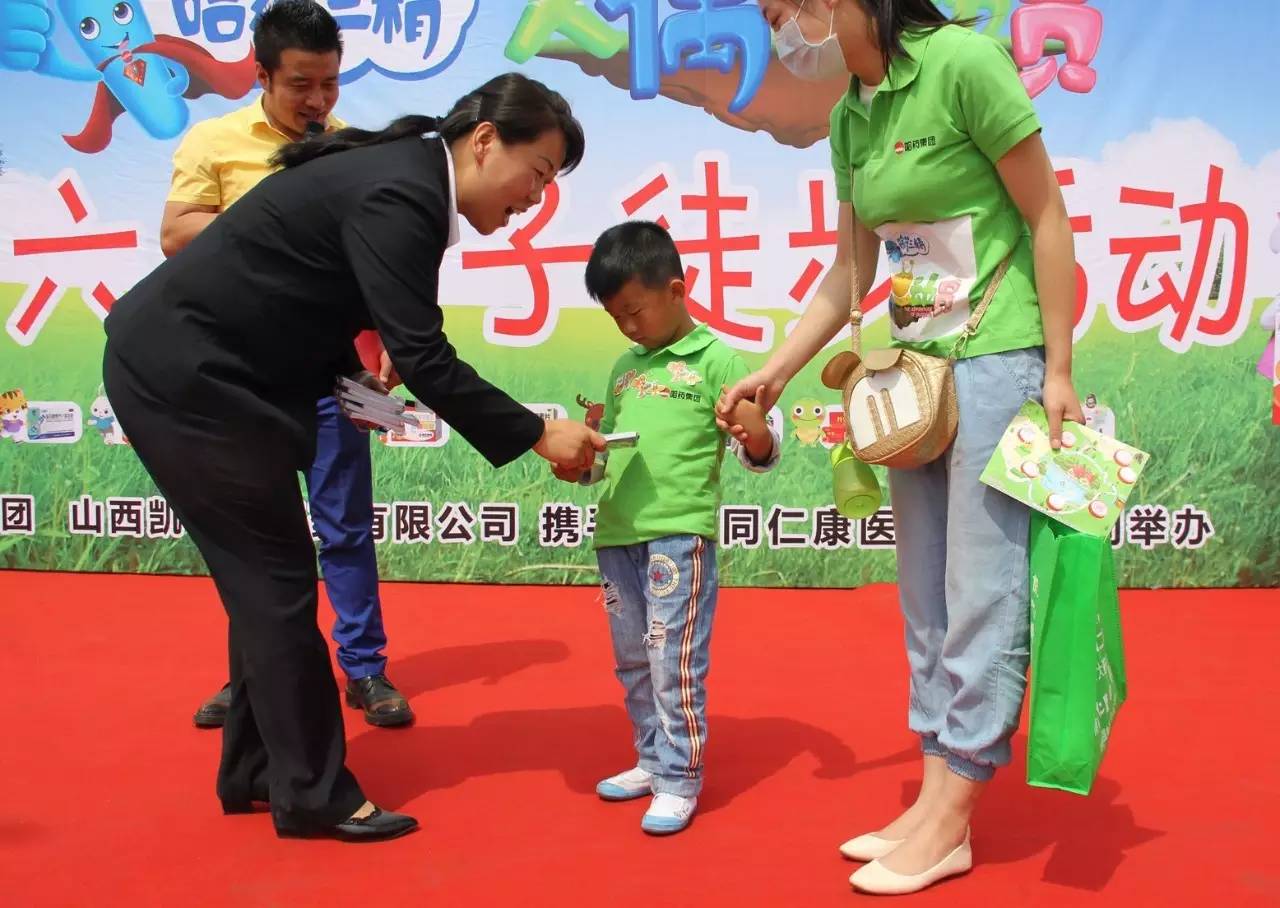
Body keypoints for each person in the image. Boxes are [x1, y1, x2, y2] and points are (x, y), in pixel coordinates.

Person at [103, 72, 603, 841]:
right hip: (188, 379)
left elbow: (315, 297)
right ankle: (314, 795)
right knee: (275, 584)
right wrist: (540, 433)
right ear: (483, 142)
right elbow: (425, 357)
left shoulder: (404, 175)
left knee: (267, 582)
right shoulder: (404, 192)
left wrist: (368, 392)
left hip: (214, 374)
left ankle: (258, 771)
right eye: (536, 173)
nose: (535, 198)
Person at [722, 0, 1084, 893]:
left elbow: (1047, 215)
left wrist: (1059, 369)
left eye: (786, 11)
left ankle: (957, 809)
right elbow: (849, 271)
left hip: (998, 359)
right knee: (923, 591)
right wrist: (777, 371)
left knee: (982, 587)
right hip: (912, 375)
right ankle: (932, 799)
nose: (783, 32)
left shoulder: (962, 63)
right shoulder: (851, 113)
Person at [161, 0, 413, 731]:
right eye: (301, 84)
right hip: (241, 377)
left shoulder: (351, 150)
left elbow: (379, 257)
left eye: (329, 84)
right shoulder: (215, 141)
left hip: (333, 373)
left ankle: (365, 669)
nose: (318, 101)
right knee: (257, 539)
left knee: (346, 527)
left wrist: (395, 334)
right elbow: (176, 233)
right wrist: (275, 230)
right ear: (262, 74)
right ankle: (253, 676)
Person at [559, 221, 780, 835]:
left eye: (635, 311)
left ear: (677, 290)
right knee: (632, 658)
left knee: (672, 658)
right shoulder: (624, 370)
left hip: (678, 536)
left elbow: (762, 449)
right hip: (616, 535)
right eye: (616, 317)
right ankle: (652, 758)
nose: (628, 327)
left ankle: (680, 777)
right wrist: (581, 465)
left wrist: (754, 432)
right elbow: (607, 455)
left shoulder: (717, 360)